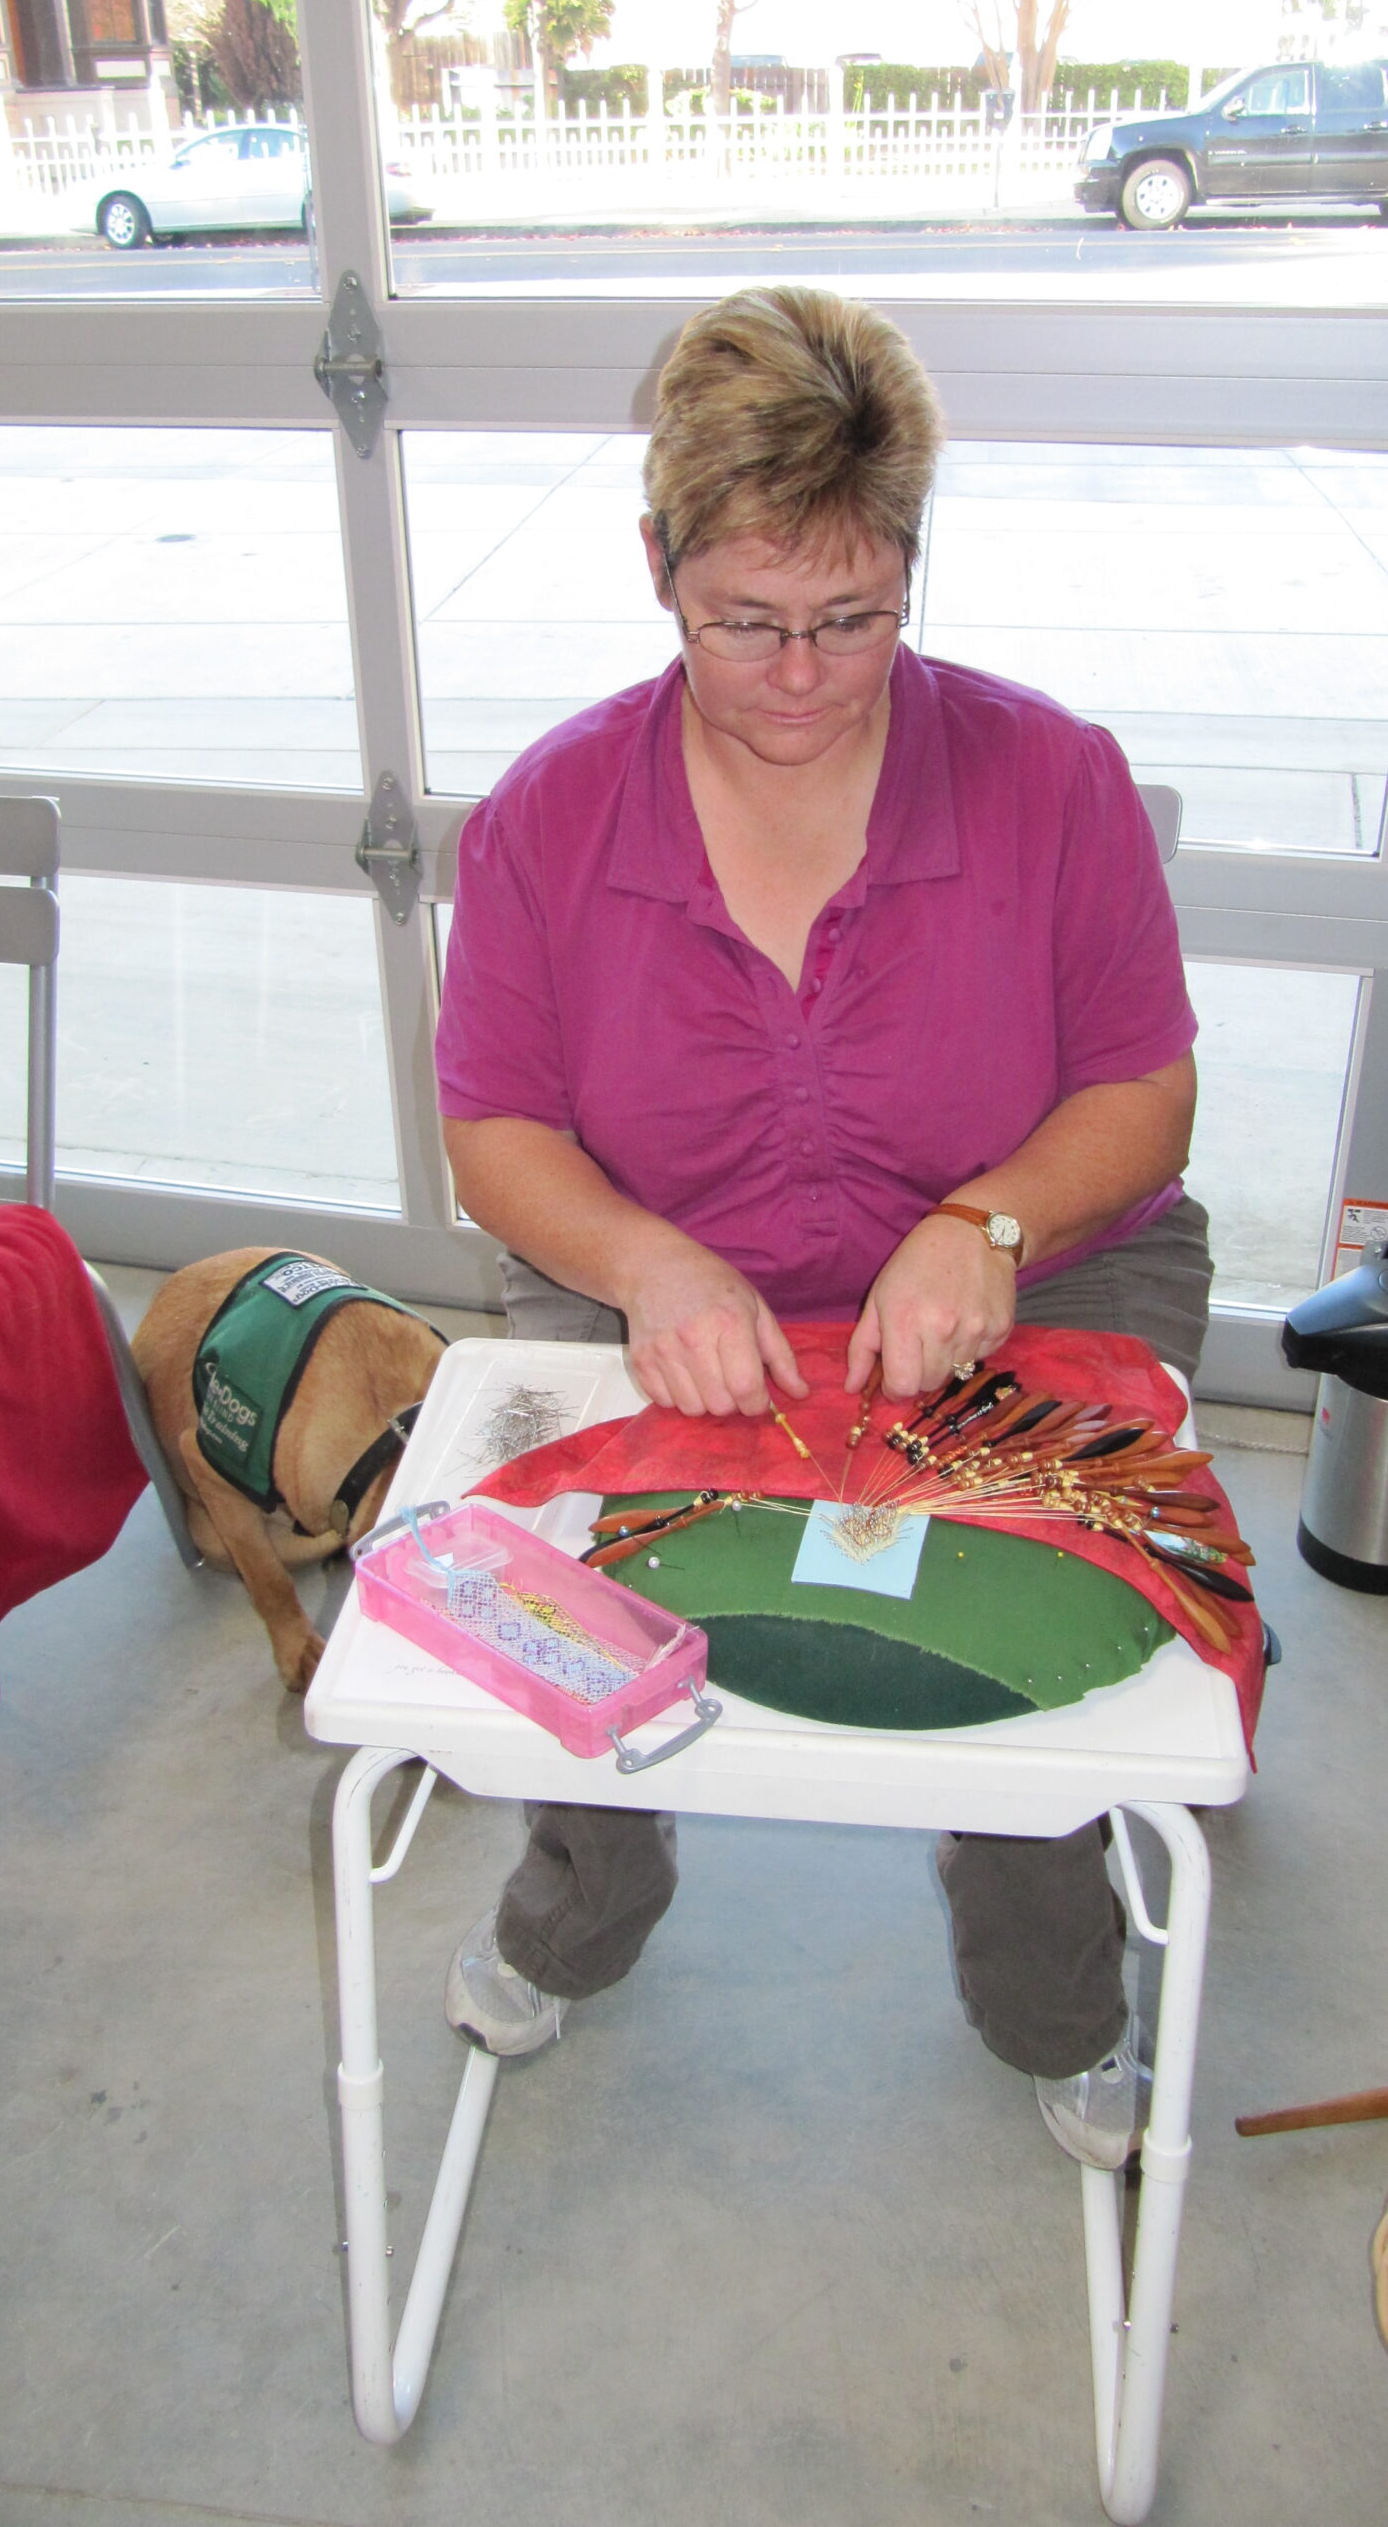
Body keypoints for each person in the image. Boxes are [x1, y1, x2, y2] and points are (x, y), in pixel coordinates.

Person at [433, 285, 1211, 2169]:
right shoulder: (548, 816)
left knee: (1015, 1650)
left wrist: (991, 1222)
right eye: (745, 623)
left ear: (914, 571)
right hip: (670, 1292)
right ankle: (580, 1906)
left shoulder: (1051, 778)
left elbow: (1148, 1096)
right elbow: (497, 1133)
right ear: (656, 568)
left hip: (1049, 1271)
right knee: (590, 1592)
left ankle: (1057, 1993)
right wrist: (644, 1261)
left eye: (855, 620)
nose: (799, 674)